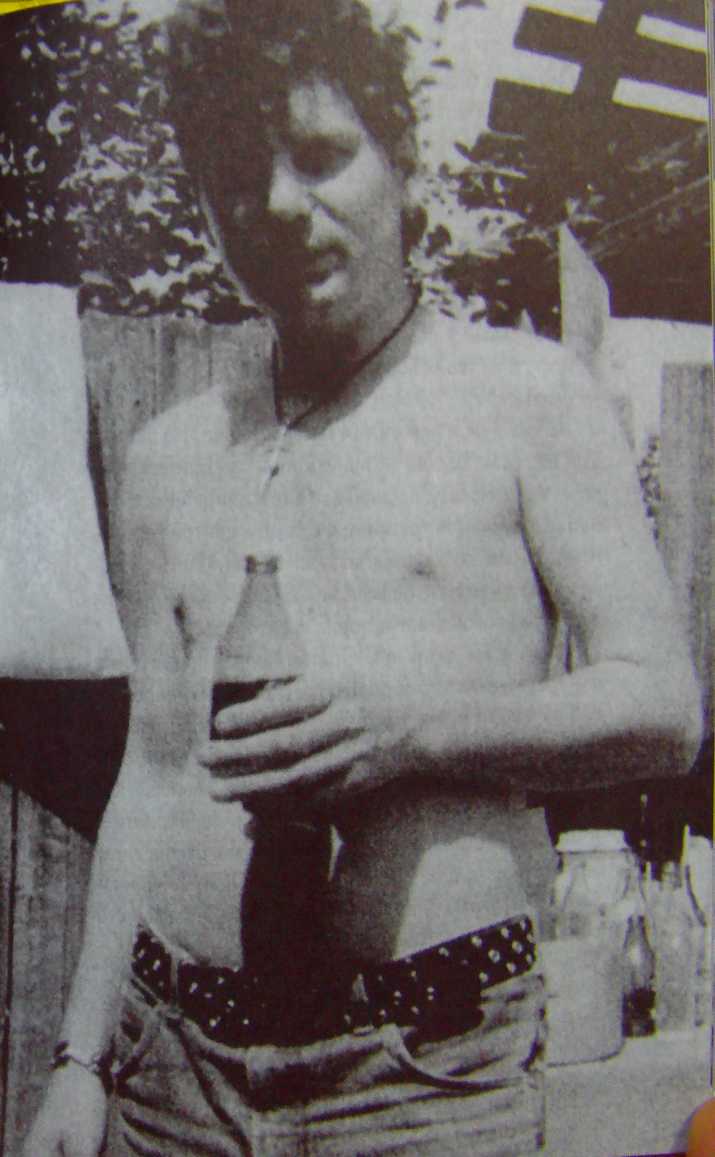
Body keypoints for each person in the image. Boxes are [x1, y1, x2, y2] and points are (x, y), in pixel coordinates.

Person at [25, 1, 702, 1154]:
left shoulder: (526, 399)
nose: (284, 204)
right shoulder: (168, 457)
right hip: (172, 1074)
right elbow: (150, 772)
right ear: (206, 211)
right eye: (238, 178)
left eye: (322, 155)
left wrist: (409, 731)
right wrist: (80, 1060)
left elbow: (662, 707)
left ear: (402, 163)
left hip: (420, 1074)